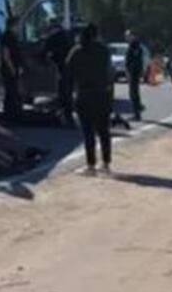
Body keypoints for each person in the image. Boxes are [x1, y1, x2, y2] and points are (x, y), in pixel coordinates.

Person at [67, 23, 114, 175]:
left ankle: (91, 165)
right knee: (104, 131)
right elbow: (110, 72)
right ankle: (106, 164)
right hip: (102, 94)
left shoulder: (77, 51)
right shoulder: (104, 50)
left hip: (84, 94)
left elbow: (68, 72)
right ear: (96, 35)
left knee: (88, 132)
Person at [44, 19, 74, 125]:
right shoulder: (68, 36)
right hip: (70, 68)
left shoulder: (52, 38)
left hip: (59, 68)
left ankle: (62, 116)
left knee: (62, 92)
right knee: (68, 92)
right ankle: (68, 115)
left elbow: (45, 52)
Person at [0, 17, 24, 121]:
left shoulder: (14, 36)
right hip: (9, 69)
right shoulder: (7, 36)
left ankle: (13, 114)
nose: (19, 27)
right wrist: (12, 68)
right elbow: (6, 55)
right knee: (11, 92)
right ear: (13, 25)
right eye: (18, 25)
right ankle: (10, 116)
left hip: (14, 68)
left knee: (14, 92)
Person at [124, 30, 146, 121]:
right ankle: (137, 111)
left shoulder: (134, 46)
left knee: (133, 93)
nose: (126, 38)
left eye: (128, 36)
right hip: (134, 71)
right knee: (133, 92)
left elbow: (133, 61)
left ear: (132, 36)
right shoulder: (135, 46)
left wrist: (129, 72)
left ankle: (137, 114)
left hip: (133, 72)